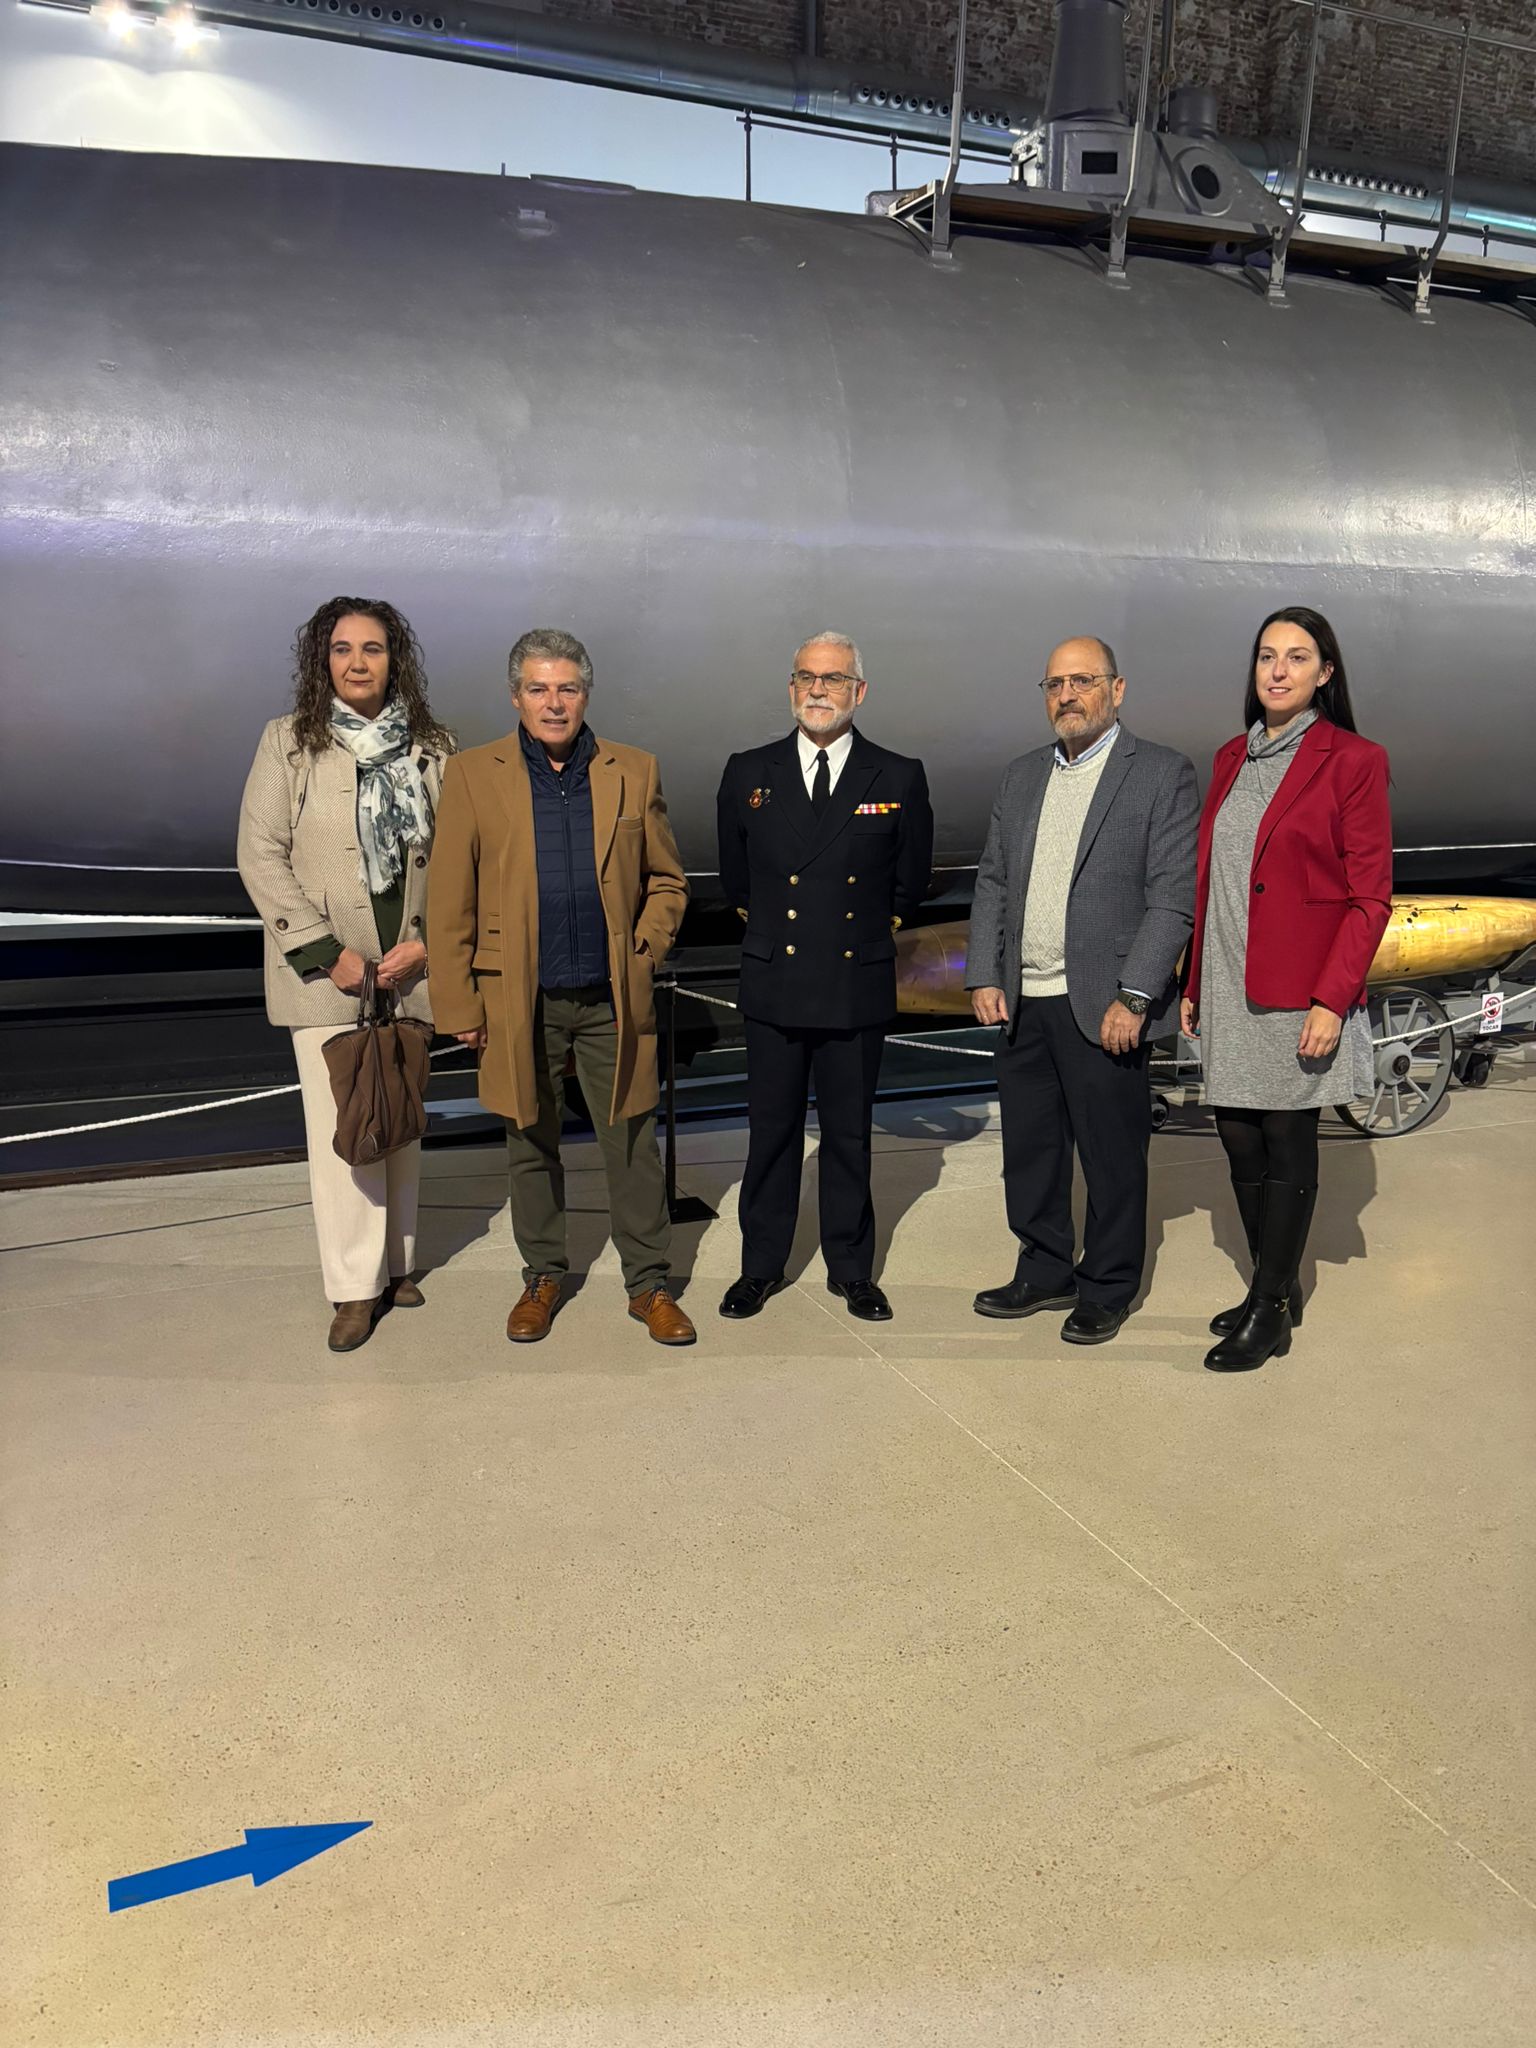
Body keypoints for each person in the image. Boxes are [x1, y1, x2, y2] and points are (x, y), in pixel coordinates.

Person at [426, 629, 695, 1346]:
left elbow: (668, 880)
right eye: (539, 689)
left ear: (586, 695)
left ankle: (649, 1284)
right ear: (516, 696)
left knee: (632, 1142)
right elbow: (448, 899)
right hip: (521, 998)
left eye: (567, 688)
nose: (554, 703)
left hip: (611, 997)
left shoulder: (632, 770)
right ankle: (543, 1275)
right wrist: (459, 1004)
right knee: (528, 1139)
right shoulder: (473, 775)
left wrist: (645, 947)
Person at [966, 637, 1199, 1345]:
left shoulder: (1160, 773)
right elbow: (993, 880)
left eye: (1083, 681)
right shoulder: (1022, 776)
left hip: (1105, 1004)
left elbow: (1172, 898)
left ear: (1117, 690)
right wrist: (984, 971)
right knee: (1030, 1153)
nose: (1067, 695)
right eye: (1055, 684)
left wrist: (1136, 997)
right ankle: (1043, 1269)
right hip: (1025, 999)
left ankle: (1107, 1285)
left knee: (1111, 1156)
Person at [237, 596, 453, 1353]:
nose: (358, 663)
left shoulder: (432, 746)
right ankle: (354, 1287)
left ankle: (396, 1264)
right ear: (321, 661)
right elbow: (260, 855)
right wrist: (329, 953)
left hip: (409, 967)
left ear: (396, 660)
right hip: (327, 974)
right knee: (345, 1126)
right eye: (342, 649)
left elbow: (459, 856)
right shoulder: (288, 742)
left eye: (373, 648)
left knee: (400, 1116)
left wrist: (428, 944)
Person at [1182, 607, 1391, 1372]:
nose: (1278, 670)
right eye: (1267, 655)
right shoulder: (1231, 756)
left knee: (1285, 1135)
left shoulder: (1353, 760)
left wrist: (1333, 999)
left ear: (1325, 673)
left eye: (1297, 657)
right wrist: (1194, 977)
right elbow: (1213, 879)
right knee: (1236, 1132)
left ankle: (1270, 1306)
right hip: (1228, 978)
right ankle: (1273, 1285)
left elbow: (1370, 898)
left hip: (1299, 990)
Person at [716, 633, 934, 1323]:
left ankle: (852, 1269)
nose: (818, 689)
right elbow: (736, 881)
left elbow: (909, 882)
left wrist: (863, 933)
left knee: (849, 1135)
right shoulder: (748, 772)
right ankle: (759, 1267)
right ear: (791, 688)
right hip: (775, 980)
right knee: (771, 1134)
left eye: (834, 678)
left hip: (852, 980)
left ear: (858, 691)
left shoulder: (896, 776)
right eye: (807, 677)